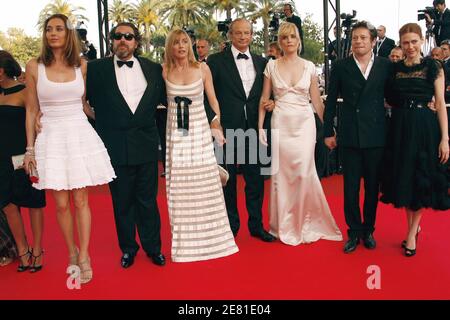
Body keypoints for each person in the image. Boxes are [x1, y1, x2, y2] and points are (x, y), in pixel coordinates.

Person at [24, 14, 116, 283]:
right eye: (49, 29)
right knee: (61, 204)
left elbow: (86, 104)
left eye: (59, 29)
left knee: (81, 200)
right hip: (51, 136)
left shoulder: (82, 66)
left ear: (68, 34)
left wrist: (109, 120)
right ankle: (71, 251)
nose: (53, 33)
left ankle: (84, 255)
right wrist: (29, 148)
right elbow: (31, 110)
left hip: (79, 133)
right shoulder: (33, 66)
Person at [86, 22, 167, 268]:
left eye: (128, 36)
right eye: (118, 36)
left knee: (147, 200)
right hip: (114, 145)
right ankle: (128, 249)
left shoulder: (153, 69)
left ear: (136, 41)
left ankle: (153, 248)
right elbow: (82, 101)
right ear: (111, 40)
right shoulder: (96, 69)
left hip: (146, 144)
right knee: (121, 201)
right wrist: (105, 123)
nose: (123, 40)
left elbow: (166, 100)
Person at [258, 23, 342, 245]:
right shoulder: (271, 66)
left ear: (299, 40)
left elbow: (316, 101)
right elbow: (264, 99)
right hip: (281, 124)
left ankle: (305, 221)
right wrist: (259, 127)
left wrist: (330, 129)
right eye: (284, 37)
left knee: (304, 173)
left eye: (292, 37)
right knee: (282, 177)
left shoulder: (309, 66)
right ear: (280, 41)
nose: (288, 41)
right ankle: (283, 224)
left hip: (305, 124)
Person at [162, 29, 238, 262]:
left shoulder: (202, 69)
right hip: (176, 134)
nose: (181, 46)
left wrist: (216, 122)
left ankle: (214, 238)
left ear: (191, 44)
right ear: (170, 47)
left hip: (199, 132)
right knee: (180, 186)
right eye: (176, 43)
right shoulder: (164, 70)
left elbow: (213, 99)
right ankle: (185, 244)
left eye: (185, 41)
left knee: (205, 182)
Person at [381, 23, 449, 257]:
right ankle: (412, 227)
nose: (410, 47)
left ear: (421, 41)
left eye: (414, 41)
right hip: (399, 126)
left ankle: (411, 235)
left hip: (424, 127)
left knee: (419, 177)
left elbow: (439, 104)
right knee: (405, 178)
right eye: (405, 42)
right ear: (400, 43)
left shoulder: (434, 66)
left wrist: (446, 139)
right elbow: (388, 98)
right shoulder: (394, 69)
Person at [323, 21, 392, 253]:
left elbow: (394, 95)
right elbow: (331, 100)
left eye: (363, 38)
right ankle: (353, 232)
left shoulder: (385, 66)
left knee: (372, 187)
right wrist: (327, 132)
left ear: (373, 41)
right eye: (355, 38)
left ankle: (368, 230)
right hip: (350, 134)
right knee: (350, 188)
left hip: (376, 135)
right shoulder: (341, 66)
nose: (358, 42)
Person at [207, 18, 276, 242]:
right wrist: (214, 122)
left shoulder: (263, 62)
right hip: (227, 131)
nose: (243, 37)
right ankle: (231, 227)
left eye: (247, 33)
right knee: (228, 181)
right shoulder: (215, 62)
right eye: (238, 33)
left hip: (256, 130)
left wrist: (272, 104)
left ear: (252, 34)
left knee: (255, 180)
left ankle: (256, 225)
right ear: (230, 35)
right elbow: (208, 96)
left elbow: (269, 94)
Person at [1, 50, 45, 272]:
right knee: (8, 205)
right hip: (1, 159)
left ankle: (37, 249)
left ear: (1, 71)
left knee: (33, 203)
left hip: (24, 155)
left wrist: (34, 151)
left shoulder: (25, 91)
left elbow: (36, 118)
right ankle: (22, 249)